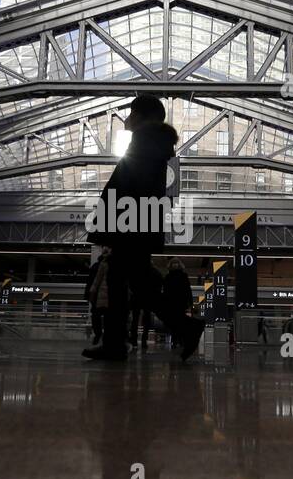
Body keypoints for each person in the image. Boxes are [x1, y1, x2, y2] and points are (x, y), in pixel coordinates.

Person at [83, 95, 204, 362]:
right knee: (136, 283)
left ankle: (116, 344)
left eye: (131, 113)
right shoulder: (157, 144)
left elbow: (128, 185)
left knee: (124, 281)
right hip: (138, 224)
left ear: (141, 116)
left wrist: (113, 226)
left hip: (130, 224)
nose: (127, 118)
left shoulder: (145, 141)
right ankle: (182, 327)